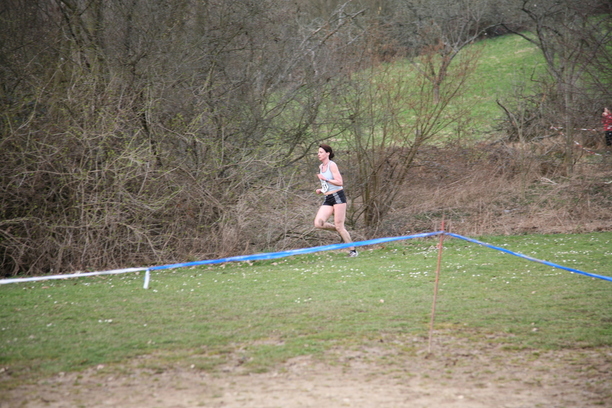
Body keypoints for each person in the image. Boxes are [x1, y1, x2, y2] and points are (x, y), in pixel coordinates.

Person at [314, 144, 358, 257]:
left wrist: (326, 179)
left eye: (321, 152)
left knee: (340, 226)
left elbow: (339, 182)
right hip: (328, 198)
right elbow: (326, 185)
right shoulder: (321, 167)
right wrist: (321, 190)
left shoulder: (332, 165)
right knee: (318, 223)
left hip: (338, 196)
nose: (318, 154)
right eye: (318, 152)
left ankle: (353, 251)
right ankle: (340, 229)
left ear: (328, 153)